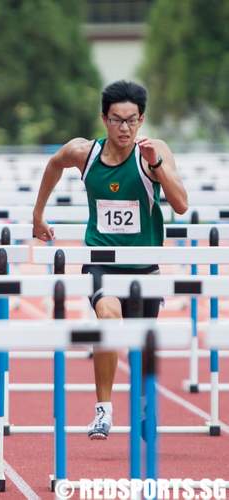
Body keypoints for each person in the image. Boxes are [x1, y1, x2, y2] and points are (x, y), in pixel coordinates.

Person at [32, 80, 188, 440]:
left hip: (144, 266)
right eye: (117, 120)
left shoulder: (154, 151)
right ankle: (103, 410)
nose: (125, 128)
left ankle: (146, 405)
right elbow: (54, 165)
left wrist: (157, 165)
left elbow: (181, 204)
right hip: (101, 259)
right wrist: (38, 215)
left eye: (132, 121)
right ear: (104, 119)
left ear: (142, 119)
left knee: (140, 345)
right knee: (108, 317)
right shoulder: (84, 153)